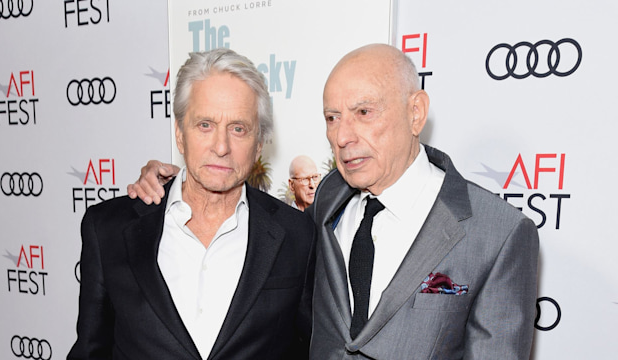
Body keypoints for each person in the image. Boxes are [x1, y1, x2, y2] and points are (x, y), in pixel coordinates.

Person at [129, 44, 539, 359]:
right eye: (332, 117)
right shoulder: (327, 198)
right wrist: (167, 182)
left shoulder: (496, 234)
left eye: (363, 112)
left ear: (416, 113)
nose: (342, 136)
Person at [69, 48, 315, 360]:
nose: (221, 147)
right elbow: (90, 352)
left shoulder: (298, 235)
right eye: (205, 125)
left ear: (258, 144)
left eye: (238, 128)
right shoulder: (108, 229)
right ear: (180, 134)